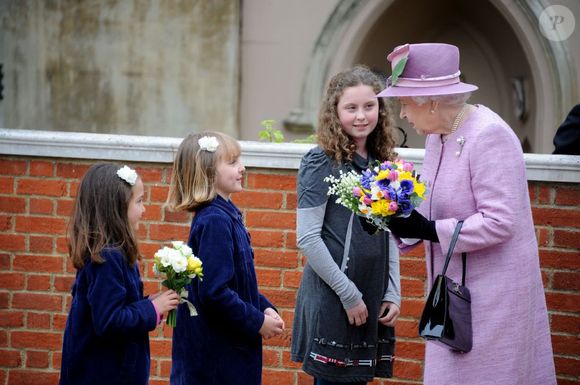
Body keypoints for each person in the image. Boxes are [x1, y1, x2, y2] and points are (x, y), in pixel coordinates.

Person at [377, 43, 556, 385]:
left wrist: (430, 230)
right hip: (451, 295)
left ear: (431, 102)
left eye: (405, 104)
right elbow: (430, 208)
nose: (402, 114)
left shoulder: (489, 135)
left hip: (494, 296)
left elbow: (500, 221)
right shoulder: (437, 136)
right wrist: (396, 214)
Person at [291, 65, 402, 385]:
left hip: (371, 291)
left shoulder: (383, 163)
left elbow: (387, 230)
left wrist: (392, 291)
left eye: (369, 106)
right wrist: (349, 294)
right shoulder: (320, 160)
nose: (361, 116)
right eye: (350, 108)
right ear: (334, 111)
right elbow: (308, 237)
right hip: (335, 294)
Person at [167, 131, 284, 385]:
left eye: (239, 160)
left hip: (227, 353)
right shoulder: (215, 220)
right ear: (208, 172)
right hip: (218, 360)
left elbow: (237, 282)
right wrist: (257, 322)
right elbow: (215, 292)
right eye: (232, 163)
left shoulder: (225, 215)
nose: (242, 168)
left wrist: (263, 306)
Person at [59, 163, 181, 385]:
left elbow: (118, 307)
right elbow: (109, 321)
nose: (144, 210)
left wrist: (153, 304)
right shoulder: (107, 258)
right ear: (115, 208)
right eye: (139, 201)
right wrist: (152, 308)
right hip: (102, 375)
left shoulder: (114, 253)